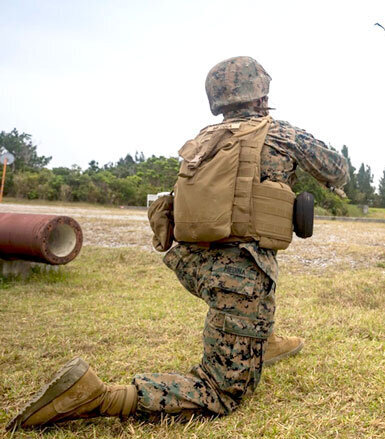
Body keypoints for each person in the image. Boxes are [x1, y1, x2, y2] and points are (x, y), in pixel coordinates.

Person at [6, 56, 348, 430]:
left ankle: (258, 340)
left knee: (257, 276)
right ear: (261, 94)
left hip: (191, 262)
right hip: (237, 278)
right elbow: (337, 169)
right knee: (223, 392)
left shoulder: (203, 138)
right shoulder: (282, 134)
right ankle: (100, 395)